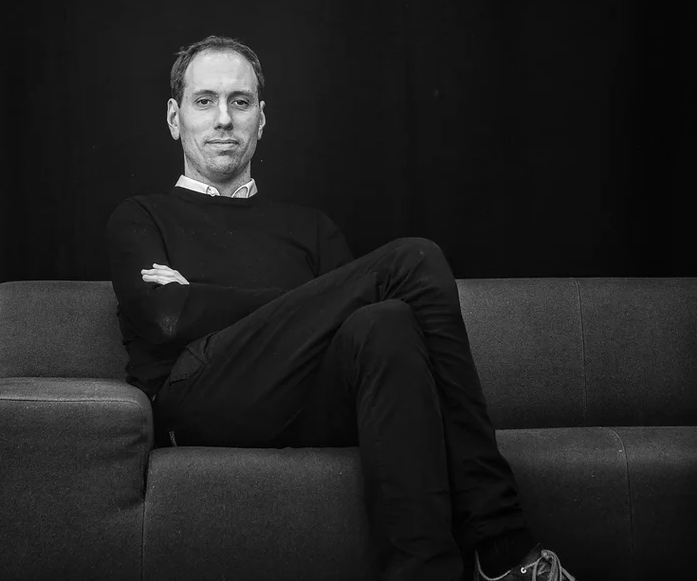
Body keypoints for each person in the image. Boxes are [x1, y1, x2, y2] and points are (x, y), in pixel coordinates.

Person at [106, 35, 577, 581]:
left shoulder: (310, 227)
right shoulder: (141, 215)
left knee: (387, 321)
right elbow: (165, 318)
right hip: (197, 399)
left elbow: (353, 329)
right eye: (205, 101)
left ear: (262, 119)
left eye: (241, 102)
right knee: (412, 261)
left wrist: (199, 295)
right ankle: (500, 540)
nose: (224, 119)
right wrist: (312, 298)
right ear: (175, 117)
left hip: (308, 403)